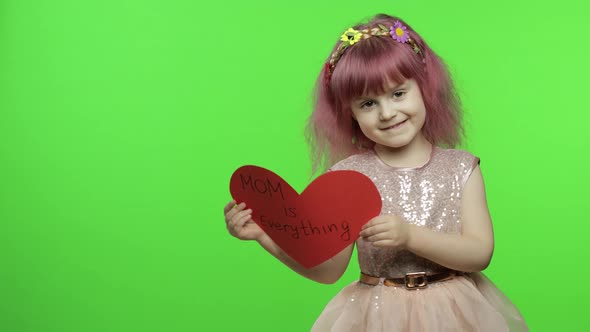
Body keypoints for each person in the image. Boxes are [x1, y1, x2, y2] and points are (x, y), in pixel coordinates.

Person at [224, 13, 528, 331]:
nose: (387, 113)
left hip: (452, 313)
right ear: (350, 113)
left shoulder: (459, 168)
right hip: (378, 315)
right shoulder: (348, 178)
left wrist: (410, 236)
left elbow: (479, 253)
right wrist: (265, 236)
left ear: (424, 88)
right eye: (368, 103)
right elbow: (328, 271)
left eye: (398, 94)